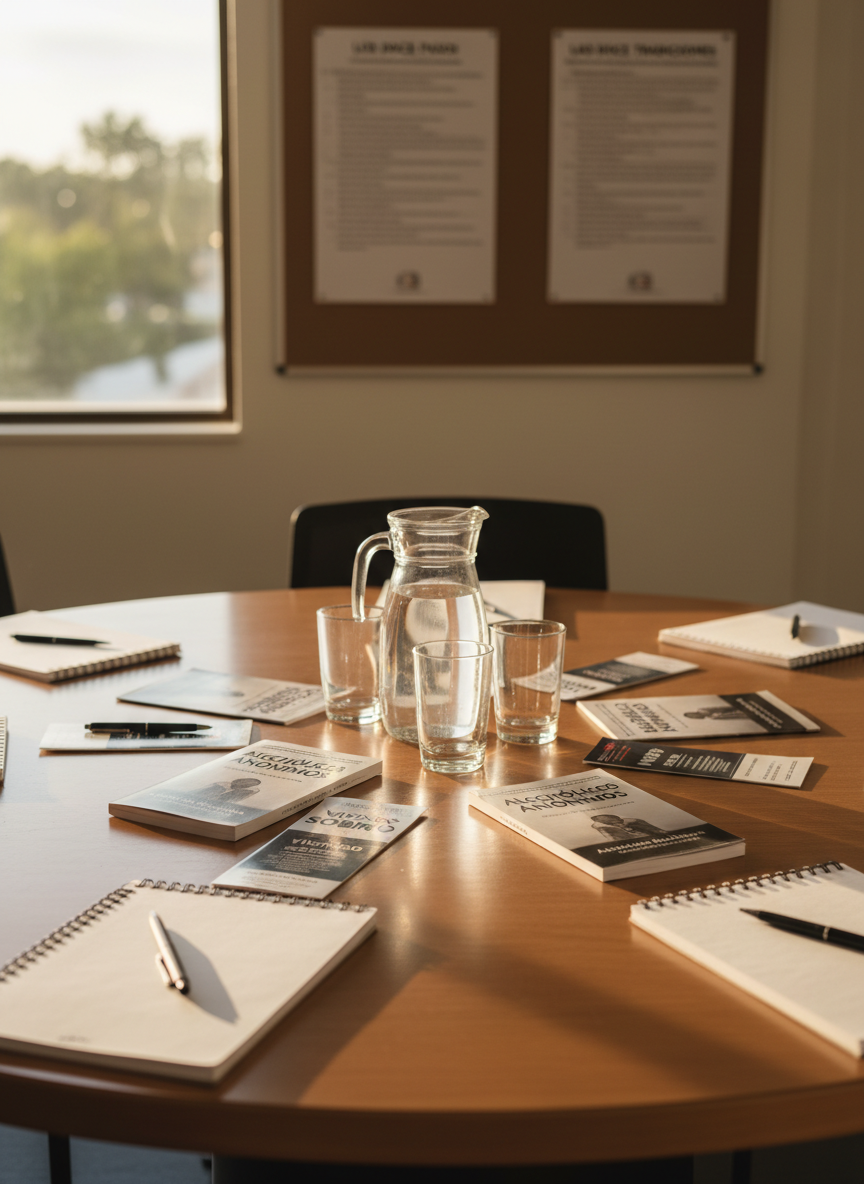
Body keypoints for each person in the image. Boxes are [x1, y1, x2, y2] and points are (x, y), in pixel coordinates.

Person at [589, 813, 666, 842]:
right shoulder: (604, 829)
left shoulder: (635, 822)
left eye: (620, 822)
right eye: (615, 824)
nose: (620, 825)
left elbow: (658, 831)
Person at [191, 777, 262, 804]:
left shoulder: (244, 792)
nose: (245, 784)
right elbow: (199, 791)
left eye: (248, 784)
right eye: (243, 782)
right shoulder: (220, 785)